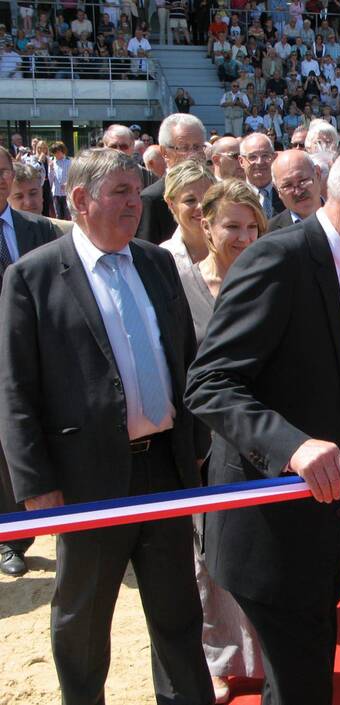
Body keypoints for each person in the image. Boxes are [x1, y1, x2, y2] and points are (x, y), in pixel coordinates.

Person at [185, 136, 340, 704]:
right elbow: (210, 383)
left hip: (322, 524)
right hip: (274, 532)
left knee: (302, 683)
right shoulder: (281, 259)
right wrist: (292, 446)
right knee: (302, 689)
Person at [0, 148, 213, 704]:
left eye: (135, 190)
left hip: (166, 469)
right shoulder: (33, 277)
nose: (134, 204)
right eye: (119, 191)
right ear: (79, 200)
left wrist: (194, 445)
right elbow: (15, 392)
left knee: (177, 613)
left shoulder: (154, 262)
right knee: (84, 619)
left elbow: (184, 360)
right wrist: (37, 485)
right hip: (87, 482)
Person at [170, 177, 266, 704]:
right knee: (204, 556)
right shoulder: (177, 279)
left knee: (251, 549)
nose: (244, 236)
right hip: (201, 441)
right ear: (205, 224)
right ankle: (218, 660)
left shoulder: (265, 275)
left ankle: (257, 651)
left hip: (257, 438)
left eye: (253, 226)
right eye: (232, 225)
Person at [0, 146, 60, 578]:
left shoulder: (39, 229)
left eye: (4, 171)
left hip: (36, 355)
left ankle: (24, 530)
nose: (1, 179)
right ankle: (11, 540)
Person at [137, 113, 207, 244]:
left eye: (197, 147)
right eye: (184, 148)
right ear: (164, 152)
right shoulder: (151, 199)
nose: (192, 155)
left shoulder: (215, 190)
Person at [161, 159, 216, 269]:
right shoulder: (162, 257)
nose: (201, 206)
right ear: (171, 204)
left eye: (208, 198)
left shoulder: (233, 246)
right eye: (190, 200)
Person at [268, 149, 325, 232]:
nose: (298, 192)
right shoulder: (269, 232)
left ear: (318, 174)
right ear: (277, 190)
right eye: (288, 186)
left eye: (303, 181)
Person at [8, 162, 72, 235]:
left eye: (33, 193)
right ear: (8, 200)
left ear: (41, 193)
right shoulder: (5, 241)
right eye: (19, 197)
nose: (28, 202)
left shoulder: (67, 232)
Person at [238, 133, 284, 219]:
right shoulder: (234, 197)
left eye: (265, 155)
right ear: (241, 161)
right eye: (252, 157)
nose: (260, 162)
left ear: (274, 158)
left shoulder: (286, 193)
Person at [48, 141, 72, 220]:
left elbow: (73, 176)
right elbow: (50, 180)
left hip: (66, 193)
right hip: (56, 192)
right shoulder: (52, 162)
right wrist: (51, 169)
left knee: (67, 215)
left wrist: (67, 183)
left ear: (62, 151)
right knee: (58, 215)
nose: (57, 154)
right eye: (55, 153)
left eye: (58, 152)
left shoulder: (69, 161)